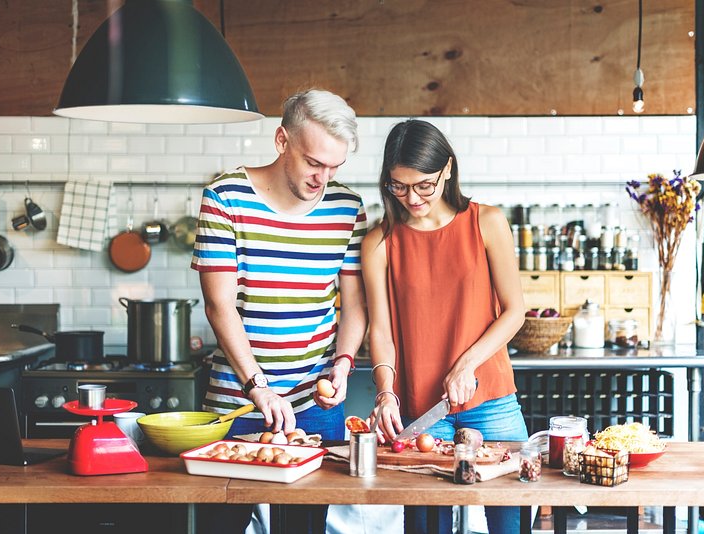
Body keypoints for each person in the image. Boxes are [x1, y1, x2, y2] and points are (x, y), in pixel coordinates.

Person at [191, 88, 367, 534]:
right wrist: (258, 387)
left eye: (334, 166)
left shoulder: (347, 208)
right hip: (237, 404)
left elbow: (355, 307)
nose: (322, 178)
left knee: (306, 529)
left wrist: (343, 367)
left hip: (315, 405)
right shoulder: (225, 197)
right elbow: (219, 305)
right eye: (313, 162)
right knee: (222, 527)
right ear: (281, 140)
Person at [361, 119, 529, 534]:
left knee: (511, 524)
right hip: (422, 409)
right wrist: (385, 393)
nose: (411, 197)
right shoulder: (379, 243)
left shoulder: (486, 222)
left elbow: (514, 310)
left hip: (492, 400)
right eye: (398, 186)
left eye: (423, 185)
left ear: (448, 169)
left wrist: (467, 364)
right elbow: (380, 333)